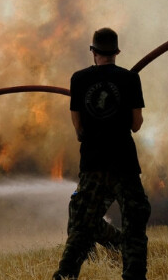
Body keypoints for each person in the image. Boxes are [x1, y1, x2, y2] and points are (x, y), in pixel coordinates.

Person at [53, 28, 151, 280]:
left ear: (93, 52)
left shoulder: (78, 79)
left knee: (81, 225)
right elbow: (136, 124)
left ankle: (65, 276)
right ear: (117, 52)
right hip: (124, 163)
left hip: (93, 163)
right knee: (134, 224)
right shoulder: (130, 79)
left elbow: (78, 126)